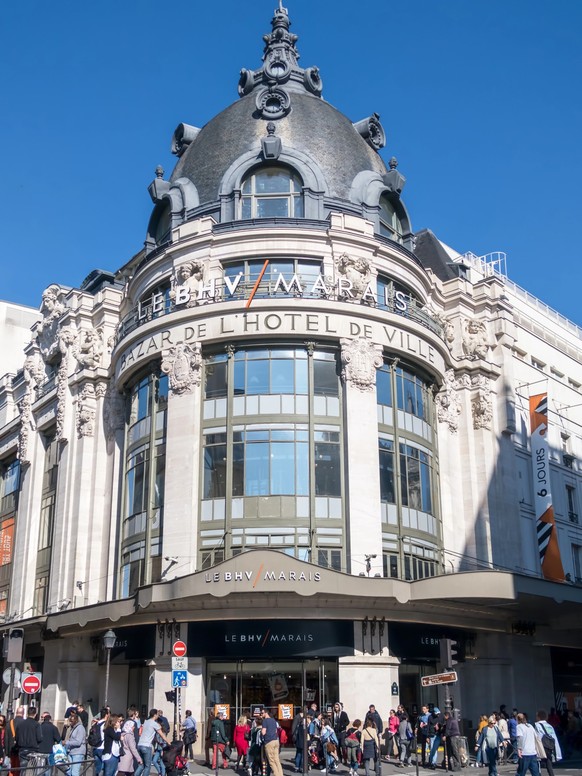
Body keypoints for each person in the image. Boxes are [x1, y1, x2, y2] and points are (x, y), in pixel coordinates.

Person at [135, 709, 171, 776]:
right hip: (146, 746)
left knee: (141, 765)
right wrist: (169, 742)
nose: (158, 716)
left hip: (140, 744)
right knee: (147, 766)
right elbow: (162, 735)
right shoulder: (154, 724)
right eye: (157, 714)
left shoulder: (146, 722)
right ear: (154, 715)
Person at [535, 711, 562, 776]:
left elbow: (537, 737)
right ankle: (551, 774)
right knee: (548, 762)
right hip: (549, 746)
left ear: (538, 717)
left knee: (537, 762)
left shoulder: (537, 725)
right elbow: (553, 737)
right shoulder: (549, 726)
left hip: (542, 746)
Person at [16, 707, 43, 772]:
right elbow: (39, 738)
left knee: (23, 770)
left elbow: (17, 738)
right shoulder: (37, 724)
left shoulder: (20, 724)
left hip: (22, 749)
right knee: (32, 771)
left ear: (27, 713)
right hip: (33, 750)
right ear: (35, 714)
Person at [261, 709, 283, 776]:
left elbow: (263, 732)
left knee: (271, 761)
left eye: (262, 713)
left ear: (266, 713)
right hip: (276, 741)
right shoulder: (273, 720)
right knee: (276, 760)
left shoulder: (265, 721)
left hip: (269, 742)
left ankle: (277, 775)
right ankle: (280, 774)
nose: (261, 714)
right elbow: (276, 731)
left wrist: (261, 732)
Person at [6, 706, 25, 776]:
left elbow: (6, 738)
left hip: (11, 749)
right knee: (19, 768)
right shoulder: (25, 723)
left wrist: (7, 752)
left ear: (16, 713)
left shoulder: (9, 723)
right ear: (23, 713)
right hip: (21, 749)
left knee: (12, 767)